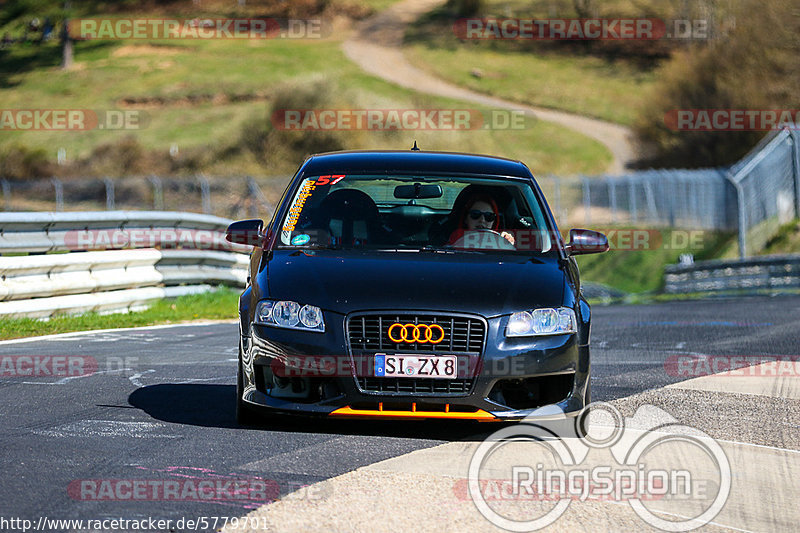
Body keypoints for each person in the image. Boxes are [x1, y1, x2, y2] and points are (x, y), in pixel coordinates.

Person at [447, 192, 515, 246]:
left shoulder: (502, 241)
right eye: (475, 214)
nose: (482, 220)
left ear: (494, 221)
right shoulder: (455, 238)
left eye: (489, 216)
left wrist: (508, 243)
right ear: (466, 219)